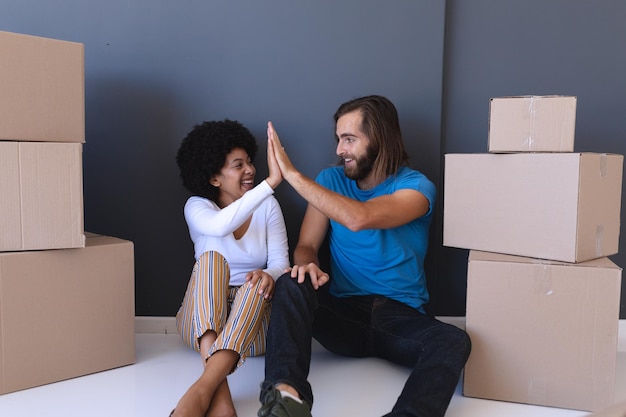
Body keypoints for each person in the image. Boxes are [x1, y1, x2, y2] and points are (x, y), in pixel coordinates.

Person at [257, 95, 471, 417]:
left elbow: (360, 217)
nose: (339, 150)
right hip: (343, 313)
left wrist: (292, 175)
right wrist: (307, 267)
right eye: (338, 139)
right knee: (291, 280)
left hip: (399, 318)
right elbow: (306, 246)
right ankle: (286, 399)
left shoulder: (416, 187)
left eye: (349, 139)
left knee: (453, 340)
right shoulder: (329, 181)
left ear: (380, 139)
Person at [171, 119, 290, 417]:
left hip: (251, 323)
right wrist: (272, 181)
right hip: (200, 319)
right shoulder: (198, 207)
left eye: (250, 161)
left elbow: (281, 264)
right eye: (238, 165)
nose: (250, 169)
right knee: (211, 260)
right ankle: (219, 396)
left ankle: (204, 389)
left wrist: (268, 275)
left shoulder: (268, 207)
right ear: (214, 178)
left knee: (257, 282)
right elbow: (220, 225)